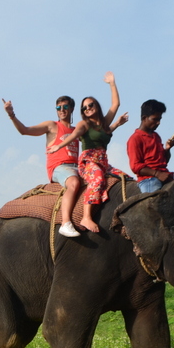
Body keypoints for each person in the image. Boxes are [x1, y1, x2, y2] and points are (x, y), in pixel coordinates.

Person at [47, 72, 130, 233]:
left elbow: (115, 105)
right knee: (97, 179)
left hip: (103, 161)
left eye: (90, 105)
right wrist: (59, 146)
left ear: (96, 106)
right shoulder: (83, 124)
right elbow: (73, 135)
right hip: (89, 162)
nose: (87, 108)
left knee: (124, 177)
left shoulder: (104, 123)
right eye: (84, 108)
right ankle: (86, 216)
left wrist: (112, 83)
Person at [2, 95, 82, 236]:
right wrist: (11, 114)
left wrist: (116, 123)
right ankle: (66, 223)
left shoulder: (77, 130)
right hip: (60, 167)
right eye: (58, 108)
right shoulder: (52, 126)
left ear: (72, 109)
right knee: (74, 183)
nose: (62, 110)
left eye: (65, 107)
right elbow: (25, 131)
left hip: (78, 167)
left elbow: (97, 135)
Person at [127, 99, 174, 193]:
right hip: (149, 181)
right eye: (155, 119)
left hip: (165, 177)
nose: (158, 123)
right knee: (154, 205)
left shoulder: (156, 136)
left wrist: (168, 149)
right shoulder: (135, 139)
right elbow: (135, 166)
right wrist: (157, 174)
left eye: (159, 119)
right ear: (144, 118)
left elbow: (164, 161)